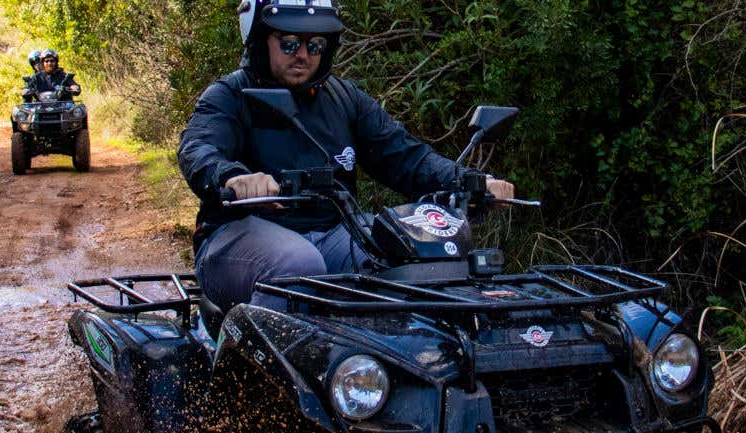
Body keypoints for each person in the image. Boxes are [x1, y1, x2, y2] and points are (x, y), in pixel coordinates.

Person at [177, 0, 513, 313]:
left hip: (332, 232)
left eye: (316, 45)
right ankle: (253, 374)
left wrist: (471, 182)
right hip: (236, 236)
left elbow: (405, 156)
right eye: (290, 43)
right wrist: (231, 176)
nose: (304, 55)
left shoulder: (344, 98)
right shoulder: (230, 94)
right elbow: (199, 147)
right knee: (298, 266)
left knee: (404, 251)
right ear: (260, 38)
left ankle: (401, 367)